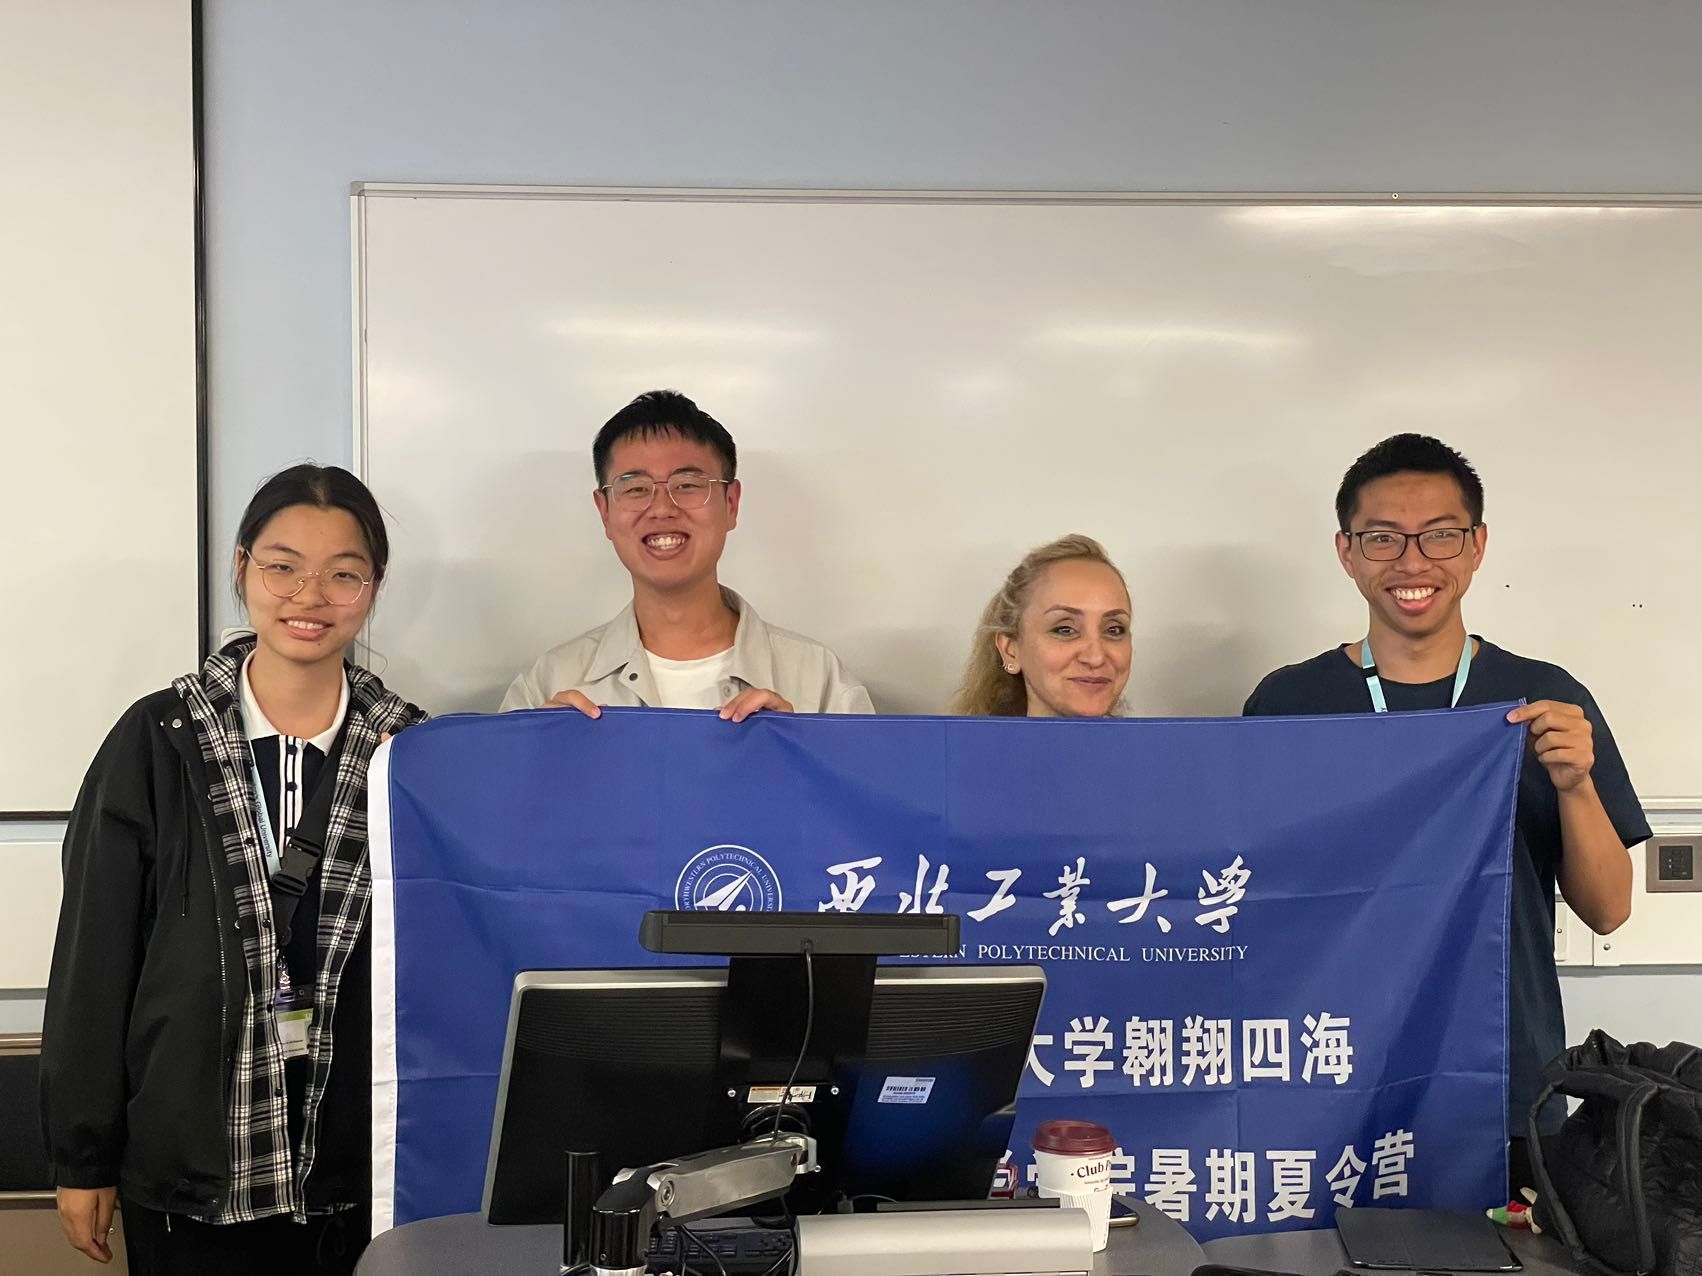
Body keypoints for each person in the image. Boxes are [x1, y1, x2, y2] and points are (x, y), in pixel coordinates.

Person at [40, 465, 428, 1274]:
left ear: (374, 586)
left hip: (354, 1177)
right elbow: (93, 959)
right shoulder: (157, 739)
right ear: (243, 566)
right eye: (283, 566)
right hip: (187, 1177)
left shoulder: (412, 752)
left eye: (343, 574)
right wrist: (83, 1156)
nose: (309, 596)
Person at [1242, 433, 1645, 1192]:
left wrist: (1576, 785)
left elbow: (1609, 910)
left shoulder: (1545, 699)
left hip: (1502, 1081)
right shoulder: (1289, 702)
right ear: (1347, 551)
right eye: (1383, 538)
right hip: (1329, 1074)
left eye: (1440, 535)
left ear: (1477, 545)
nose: (1413, 561)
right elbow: (1254, 898)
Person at [501, 390, 873, 718]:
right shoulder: (548, 684)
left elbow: (865, 780)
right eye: (636, 488)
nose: (662, 508)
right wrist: (538, 755)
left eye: (688, 485)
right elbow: (502, 780)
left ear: (731, 504)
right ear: (605, 512)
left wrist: (800, 749)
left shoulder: (821, 683)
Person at [953, 534, 1132, 717]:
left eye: (1114, 630)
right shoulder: (952, 737)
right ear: (1010, 651)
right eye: (1065, 630)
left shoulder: (1152, 738)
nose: (1096, 658)